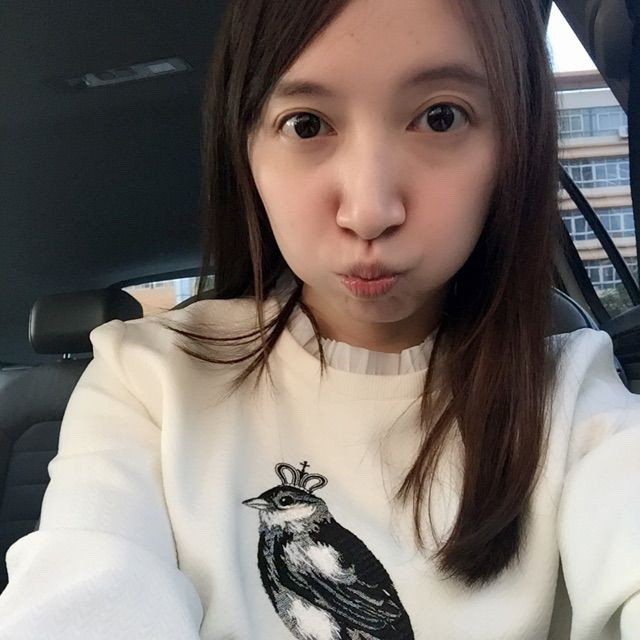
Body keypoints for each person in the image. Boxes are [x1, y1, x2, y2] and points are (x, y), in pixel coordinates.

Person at [1, 0, 639, 638]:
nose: (369, 211)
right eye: (306, 124)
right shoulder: (146, 383)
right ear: (245, 152)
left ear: (513, 147)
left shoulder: (575, 395)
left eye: (440, 117)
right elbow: (85, 587)